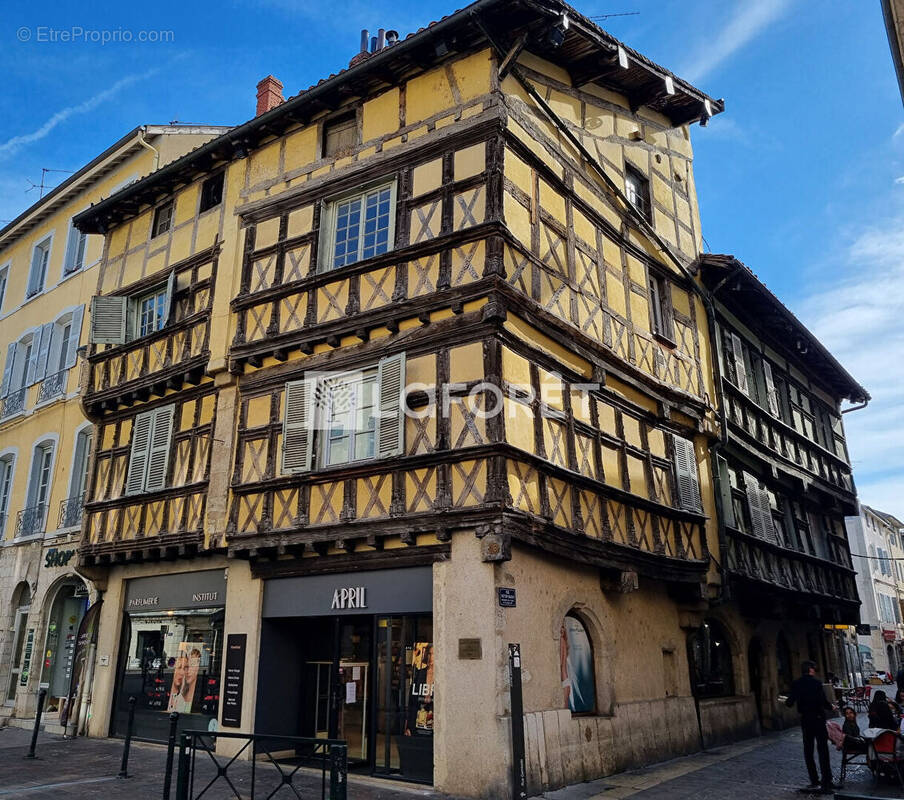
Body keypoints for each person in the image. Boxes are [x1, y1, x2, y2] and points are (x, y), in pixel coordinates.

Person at [785, 660, 836, 793]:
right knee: (823, 749)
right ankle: (827, 780)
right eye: (814, 668)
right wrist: (831, 707)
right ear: (811, 670)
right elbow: (822, 701)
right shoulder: (817, 683)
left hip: (806, 719)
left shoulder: (796, 683)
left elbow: (789, 702)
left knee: (808, 750)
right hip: (818, 718)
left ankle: (814, 780)